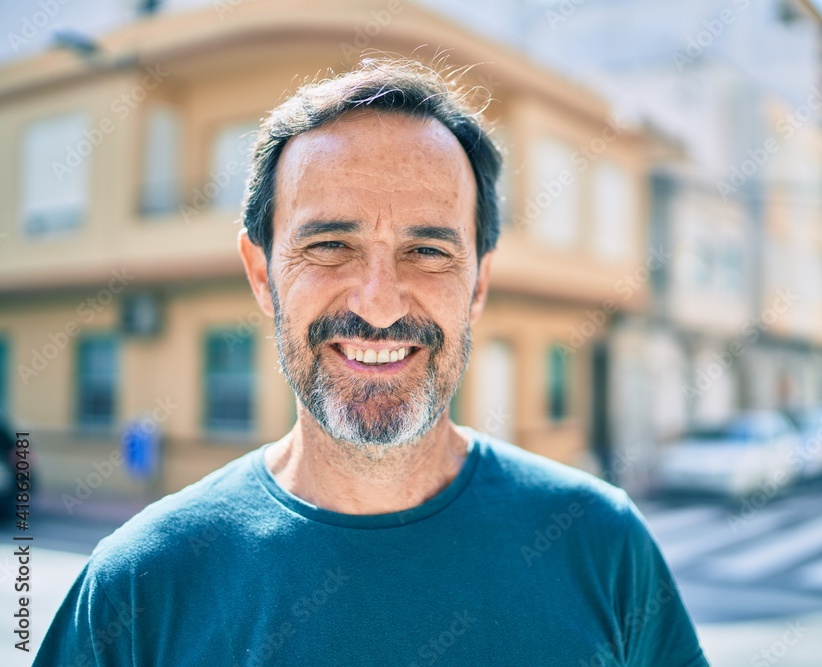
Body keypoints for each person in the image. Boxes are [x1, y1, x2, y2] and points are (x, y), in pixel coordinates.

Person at [37, 59, 708, 666]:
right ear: (262, 274)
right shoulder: (138, 585)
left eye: (428, 251)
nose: (381, 305)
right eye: (331, 244)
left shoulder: (603, 546)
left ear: (477, 284)